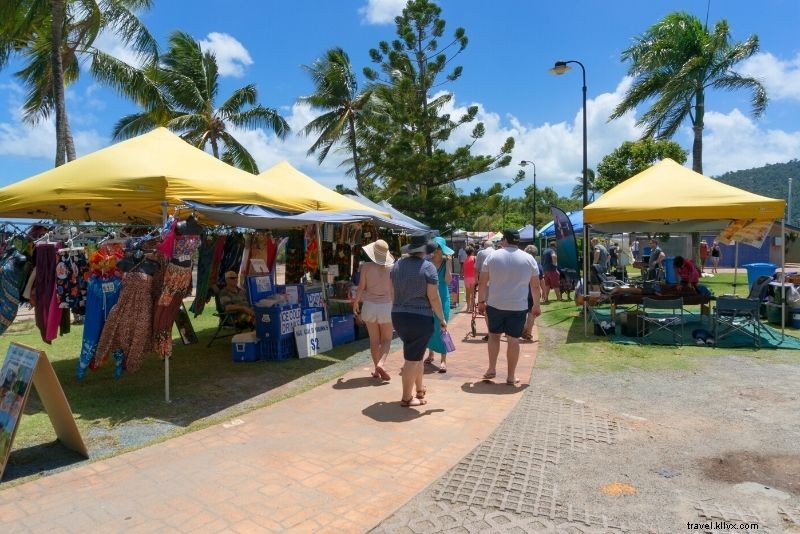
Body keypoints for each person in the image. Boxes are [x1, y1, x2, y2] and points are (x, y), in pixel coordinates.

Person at [390, 234, 448, 408]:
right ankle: (407, 398)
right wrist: (442, 318)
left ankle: (419, 389)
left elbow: (392, 292)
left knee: (417, 355)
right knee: (411, 359)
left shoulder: (397, 265)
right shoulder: (428, 267)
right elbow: (433, 297)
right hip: (420, 317)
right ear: (425, 250)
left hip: (398, 315)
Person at [477, 229, 541, 386]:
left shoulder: (493, 256)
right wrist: (536, 305)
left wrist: (481, 301)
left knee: (494, 335)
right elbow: (535, 285)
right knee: (513, 340)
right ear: (518, 241)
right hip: (518, 306)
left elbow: (483, 281)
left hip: (495, 303)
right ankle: (511, 376)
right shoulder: (529, 259)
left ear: (505, 239)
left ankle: (492, 368)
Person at [353, 239, 394, 382]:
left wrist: (356, 302)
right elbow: (394, 291)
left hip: (369, 305)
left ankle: (377, 368)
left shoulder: (366, 267)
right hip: (386, 306)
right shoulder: (392, 267)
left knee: (374, 340)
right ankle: (381, 364)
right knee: (387, 339)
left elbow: (361, 287)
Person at [424, 237, 453, 373]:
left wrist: (447, 265)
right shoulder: (427, 263)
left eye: (439, 249)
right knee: (429, 327)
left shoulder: (445, 262)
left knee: (442, 327)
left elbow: (448, 281)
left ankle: (443, 360)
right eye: (435, 249)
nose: (436, 251)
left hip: (443, 298)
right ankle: (430, 354)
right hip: (429, 298)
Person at [474, 240, 495, 341]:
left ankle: (490, 331)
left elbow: (477, 268)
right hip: (496, 284)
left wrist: (476, 281)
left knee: (486, 307)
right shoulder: (497, 253)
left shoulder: (481, 253)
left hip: (485, 283)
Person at [521, 245, 541, 341]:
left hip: (522, 292)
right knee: (531, 314)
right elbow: (541, 280)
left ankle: (524, 329)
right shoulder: (537, 265)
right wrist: (544, 293)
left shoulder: (520, 264)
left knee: (521, 313)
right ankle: (528, 332)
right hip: (533, 293)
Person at [462, 246, 476, 313]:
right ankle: (472, 308)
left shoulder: (465, 260)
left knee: (467, 293)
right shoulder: (474, 258)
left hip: (466, 278)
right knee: (472, 293)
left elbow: (464, 269)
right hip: (473, 277)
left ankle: (468, 307)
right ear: (472, 252)